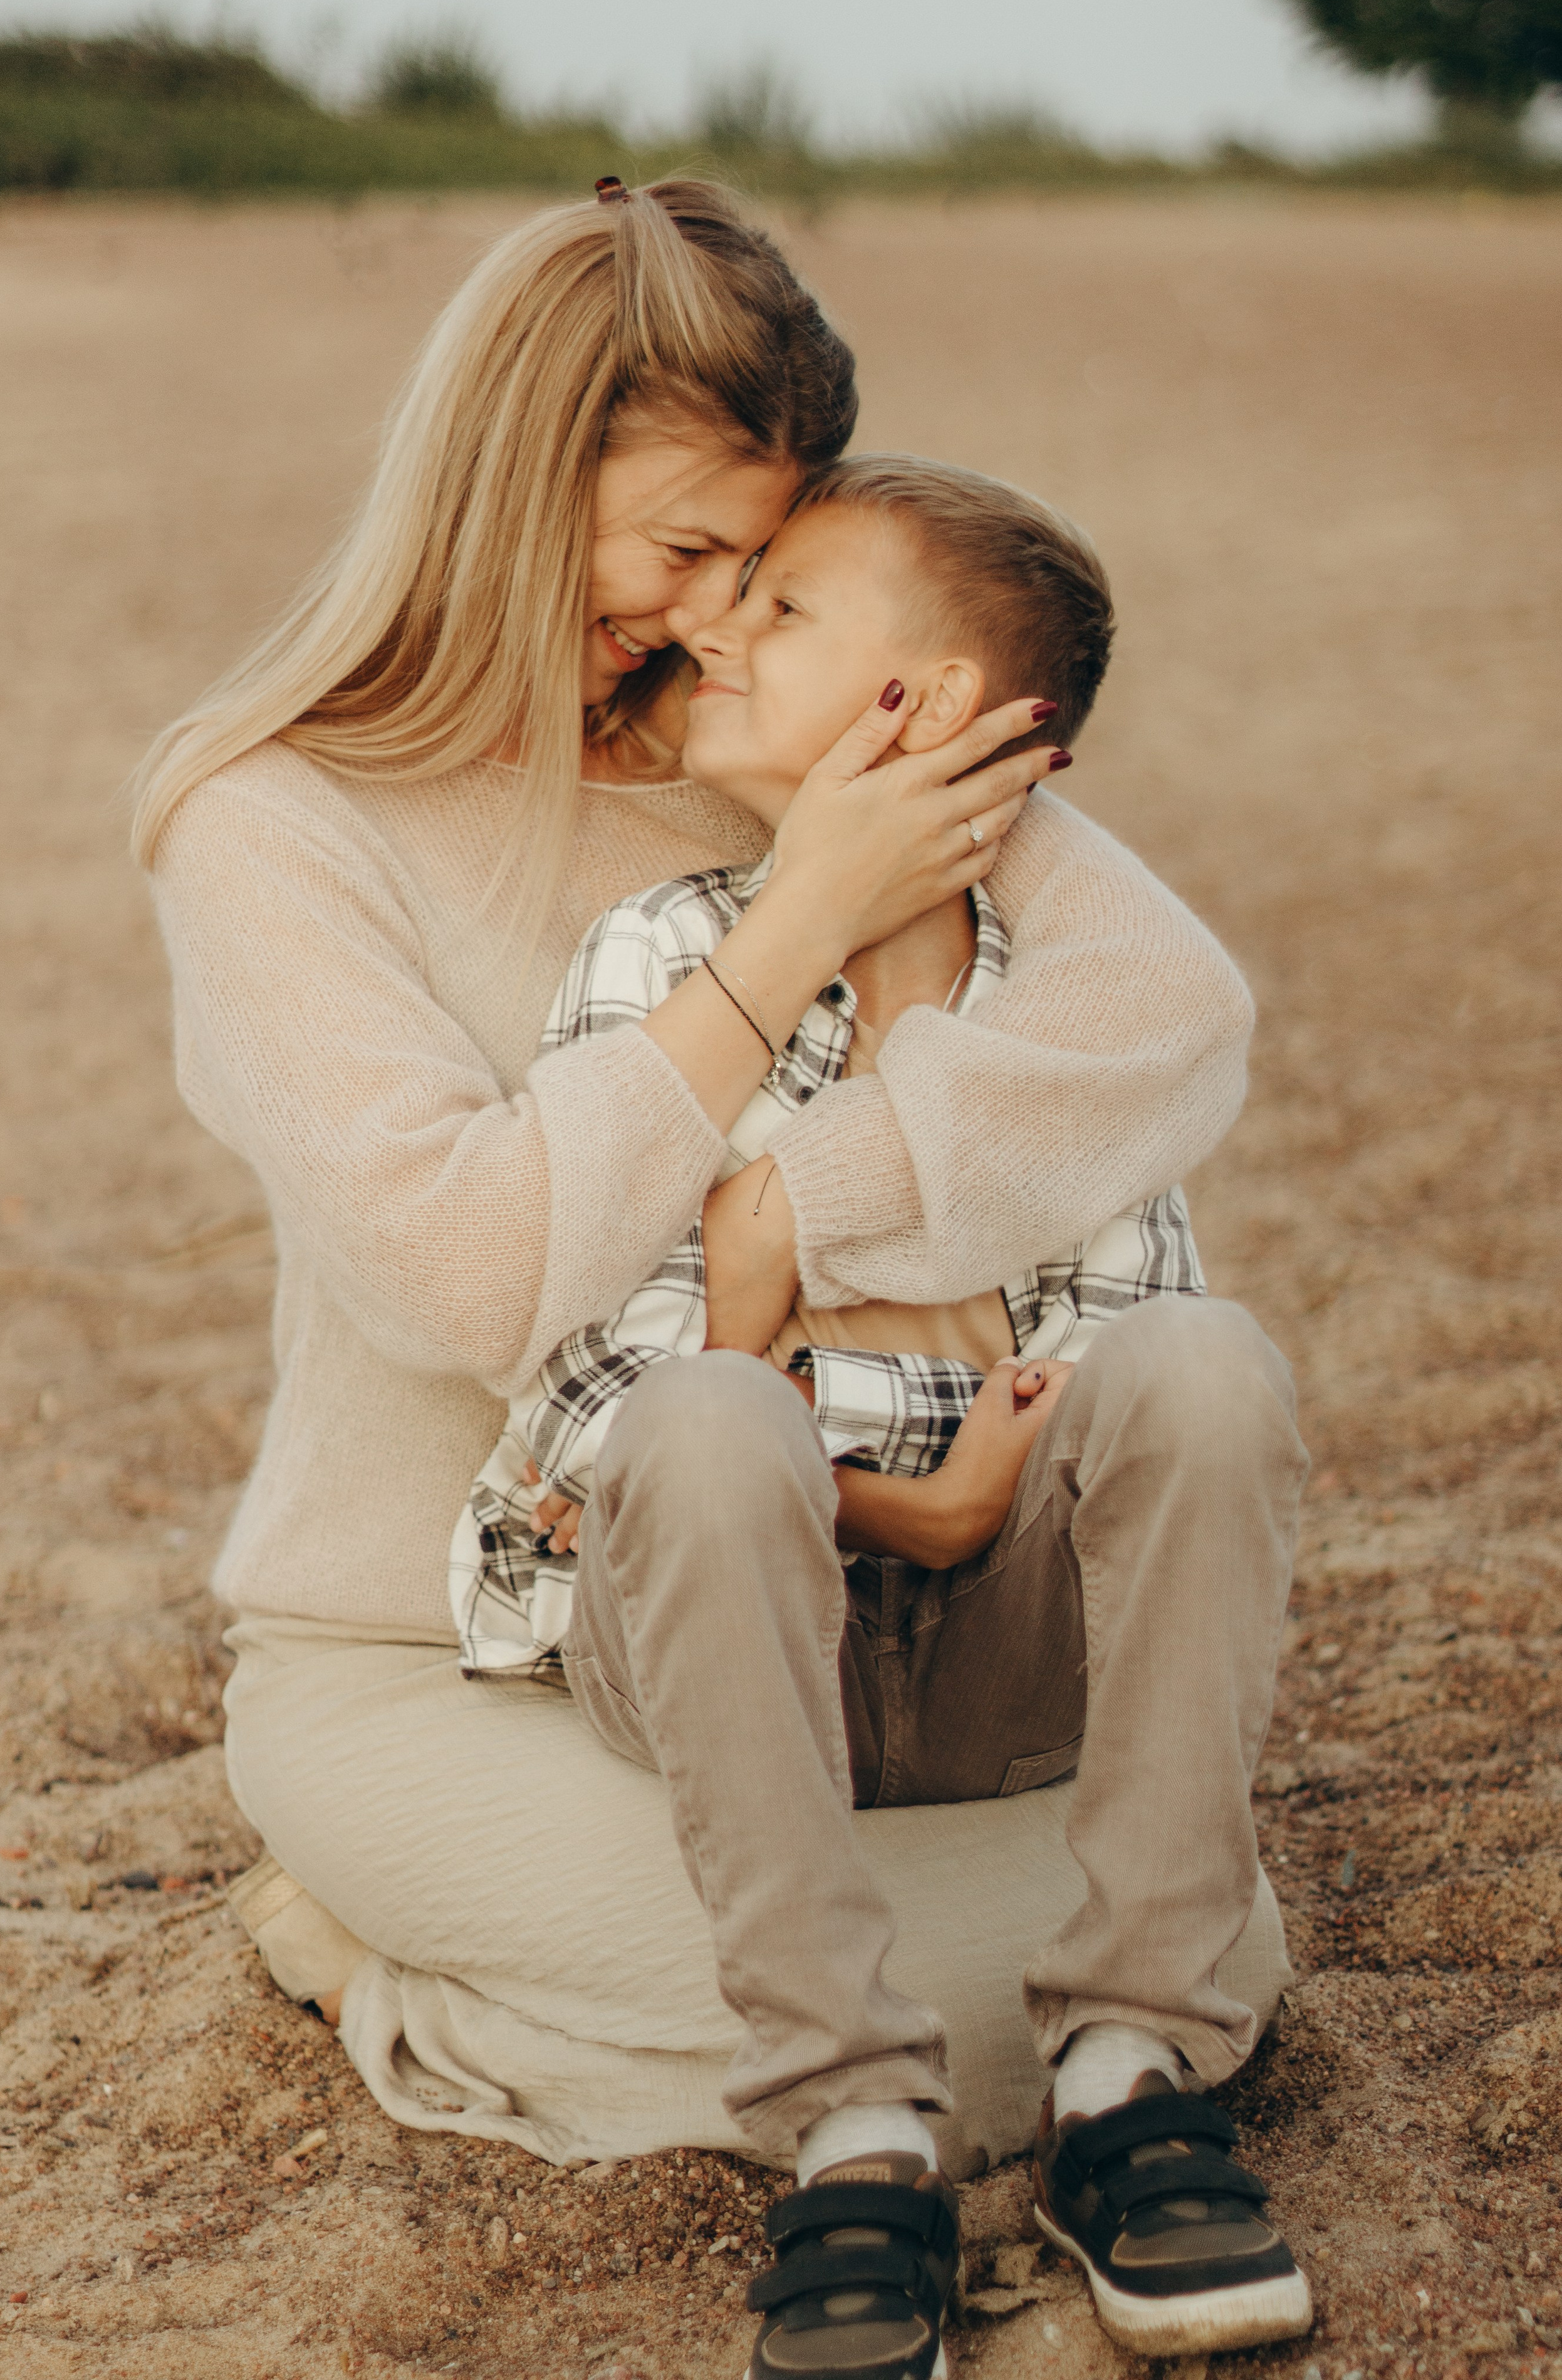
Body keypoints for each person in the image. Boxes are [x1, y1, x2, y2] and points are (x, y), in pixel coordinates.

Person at [134, 179, 1287, 2377]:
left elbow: (1167, 1020)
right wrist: (789, 925)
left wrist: (799, 1211)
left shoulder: (773, 725)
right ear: (506, 475)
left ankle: (1031, 1995)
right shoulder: (270, 816)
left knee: (1138, 1933)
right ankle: (374, 1942)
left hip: (863, 1616)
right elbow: (470, 1273)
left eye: (759, 571)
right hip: (456, 1645)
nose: (706, 618)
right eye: (679, 552)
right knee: (1011, 1992)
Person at [440, 457, 1312, 2377]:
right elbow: (602, 1396)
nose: (718, 628)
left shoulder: (1064, 1020)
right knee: (695, 1426)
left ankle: (1130, 2068)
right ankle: (853, 2126)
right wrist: (888, 1489)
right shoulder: (669, 963)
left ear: (914, 713)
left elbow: (1110, 1364)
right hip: (725, 1630)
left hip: (1004, 1662)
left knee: (1218, 1363)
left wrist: (777, 1275)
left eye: (785, 608)